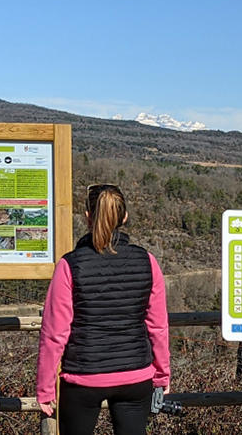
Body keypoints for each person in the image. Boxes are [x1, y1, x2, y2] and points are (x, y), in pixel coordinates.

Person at [36, 184, 171, 435]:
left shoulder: (70, 265)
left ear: (87, 216)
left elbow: (55, 333)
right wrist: (162, 375)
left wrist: (45, 388)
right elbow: (158, 326)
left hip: (83, 375)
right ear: (125, 217)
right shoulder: (147, 261)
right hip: (136, 374)